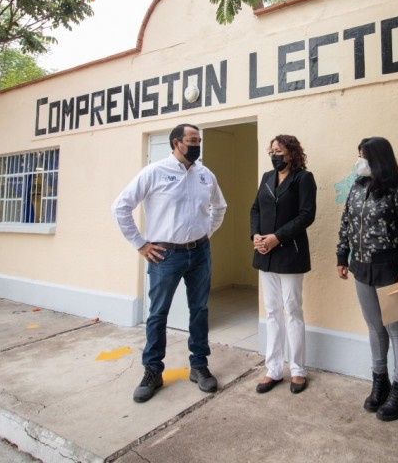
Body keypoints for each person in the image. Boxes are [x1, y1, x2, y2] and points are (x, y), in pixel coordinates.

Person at [112, 123, 227, 403]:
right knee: (158, 314)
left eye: (199, 140)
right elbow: (121, 207)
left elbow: (219, 207)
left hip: (200, 253)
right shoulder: (155, 172)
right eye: (191, 140)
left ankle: (199, 366)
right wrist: (140, 244)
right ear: (176, 143)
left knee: (199, 310)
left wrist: (205, 233)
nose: (196, 145)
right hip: (165, 255)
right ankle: (152, 371)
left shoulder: (204, 174)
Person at [336, 137, 398, 422]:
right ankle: (379, 381)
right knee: (374, 327)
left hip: (389, 267)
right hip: (361, 266)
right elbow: (346, 221)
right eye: (358, 155)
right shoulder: (358, 186)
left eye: (364, 157)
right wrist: (341, 255)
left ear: (379, 159)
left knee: (396, 328)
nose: (359, 162)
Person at [250, 135, 317, 395]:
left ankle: (298, 370)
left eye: (279, 150)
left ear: (292, 153)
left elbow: (306, 215)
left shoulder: (303, 178)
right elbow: (255, 209)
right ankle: (274, 369)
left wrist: (277, 237)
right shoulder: (267, 177)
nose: (274, 154)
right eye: (272, 150)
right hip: (264, 253)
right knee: (272, 312)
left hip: (290, 253)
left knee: (291, 310)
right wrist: (256, 235)